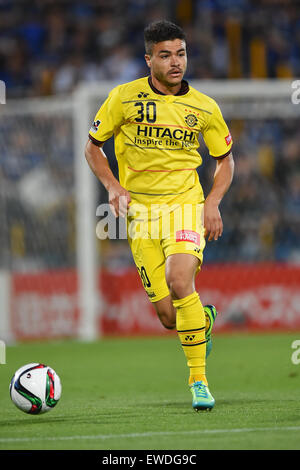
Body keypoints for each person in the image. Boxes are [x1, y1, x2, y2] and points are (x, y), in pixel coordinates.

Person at [85, 20, 234, 411]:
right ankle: (201, 320)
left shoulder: (204, 107)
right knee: (169, 317)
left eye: (181, 54)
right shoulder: (123, 98)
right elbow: (93, 148)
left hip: (185, 205)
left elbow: (225, 160)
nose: (175, 62)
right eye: (165, 55)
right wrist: (113, 186)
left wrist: (213, 201)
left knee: (179, 279)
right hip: (141, 217)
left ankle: (198, 382)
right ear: (148, 58)